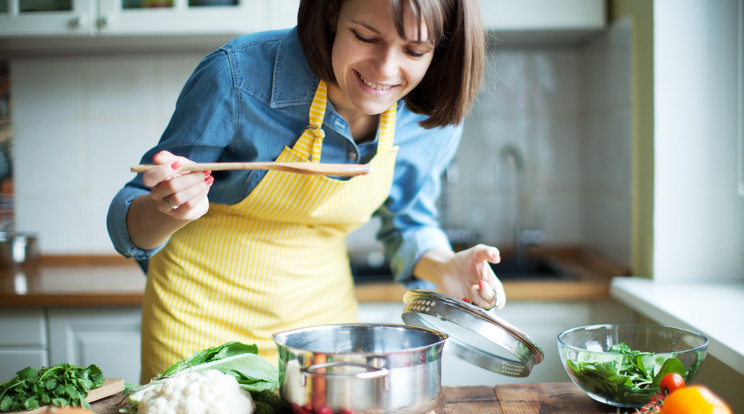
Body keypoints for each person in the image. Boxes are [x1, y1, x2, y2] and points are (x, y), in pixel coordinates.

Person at [107, 0, 506, 384]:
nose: (386, 68)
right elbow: (128, 227)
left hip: (322, 333)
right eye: (366, 37)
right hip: (196, 324)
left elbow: (409, 222)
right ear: (332, 10)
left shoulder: (428, 120)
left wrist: (445, 267)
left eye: (415, 50)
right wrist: (168, 208)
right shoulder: (237, 76)